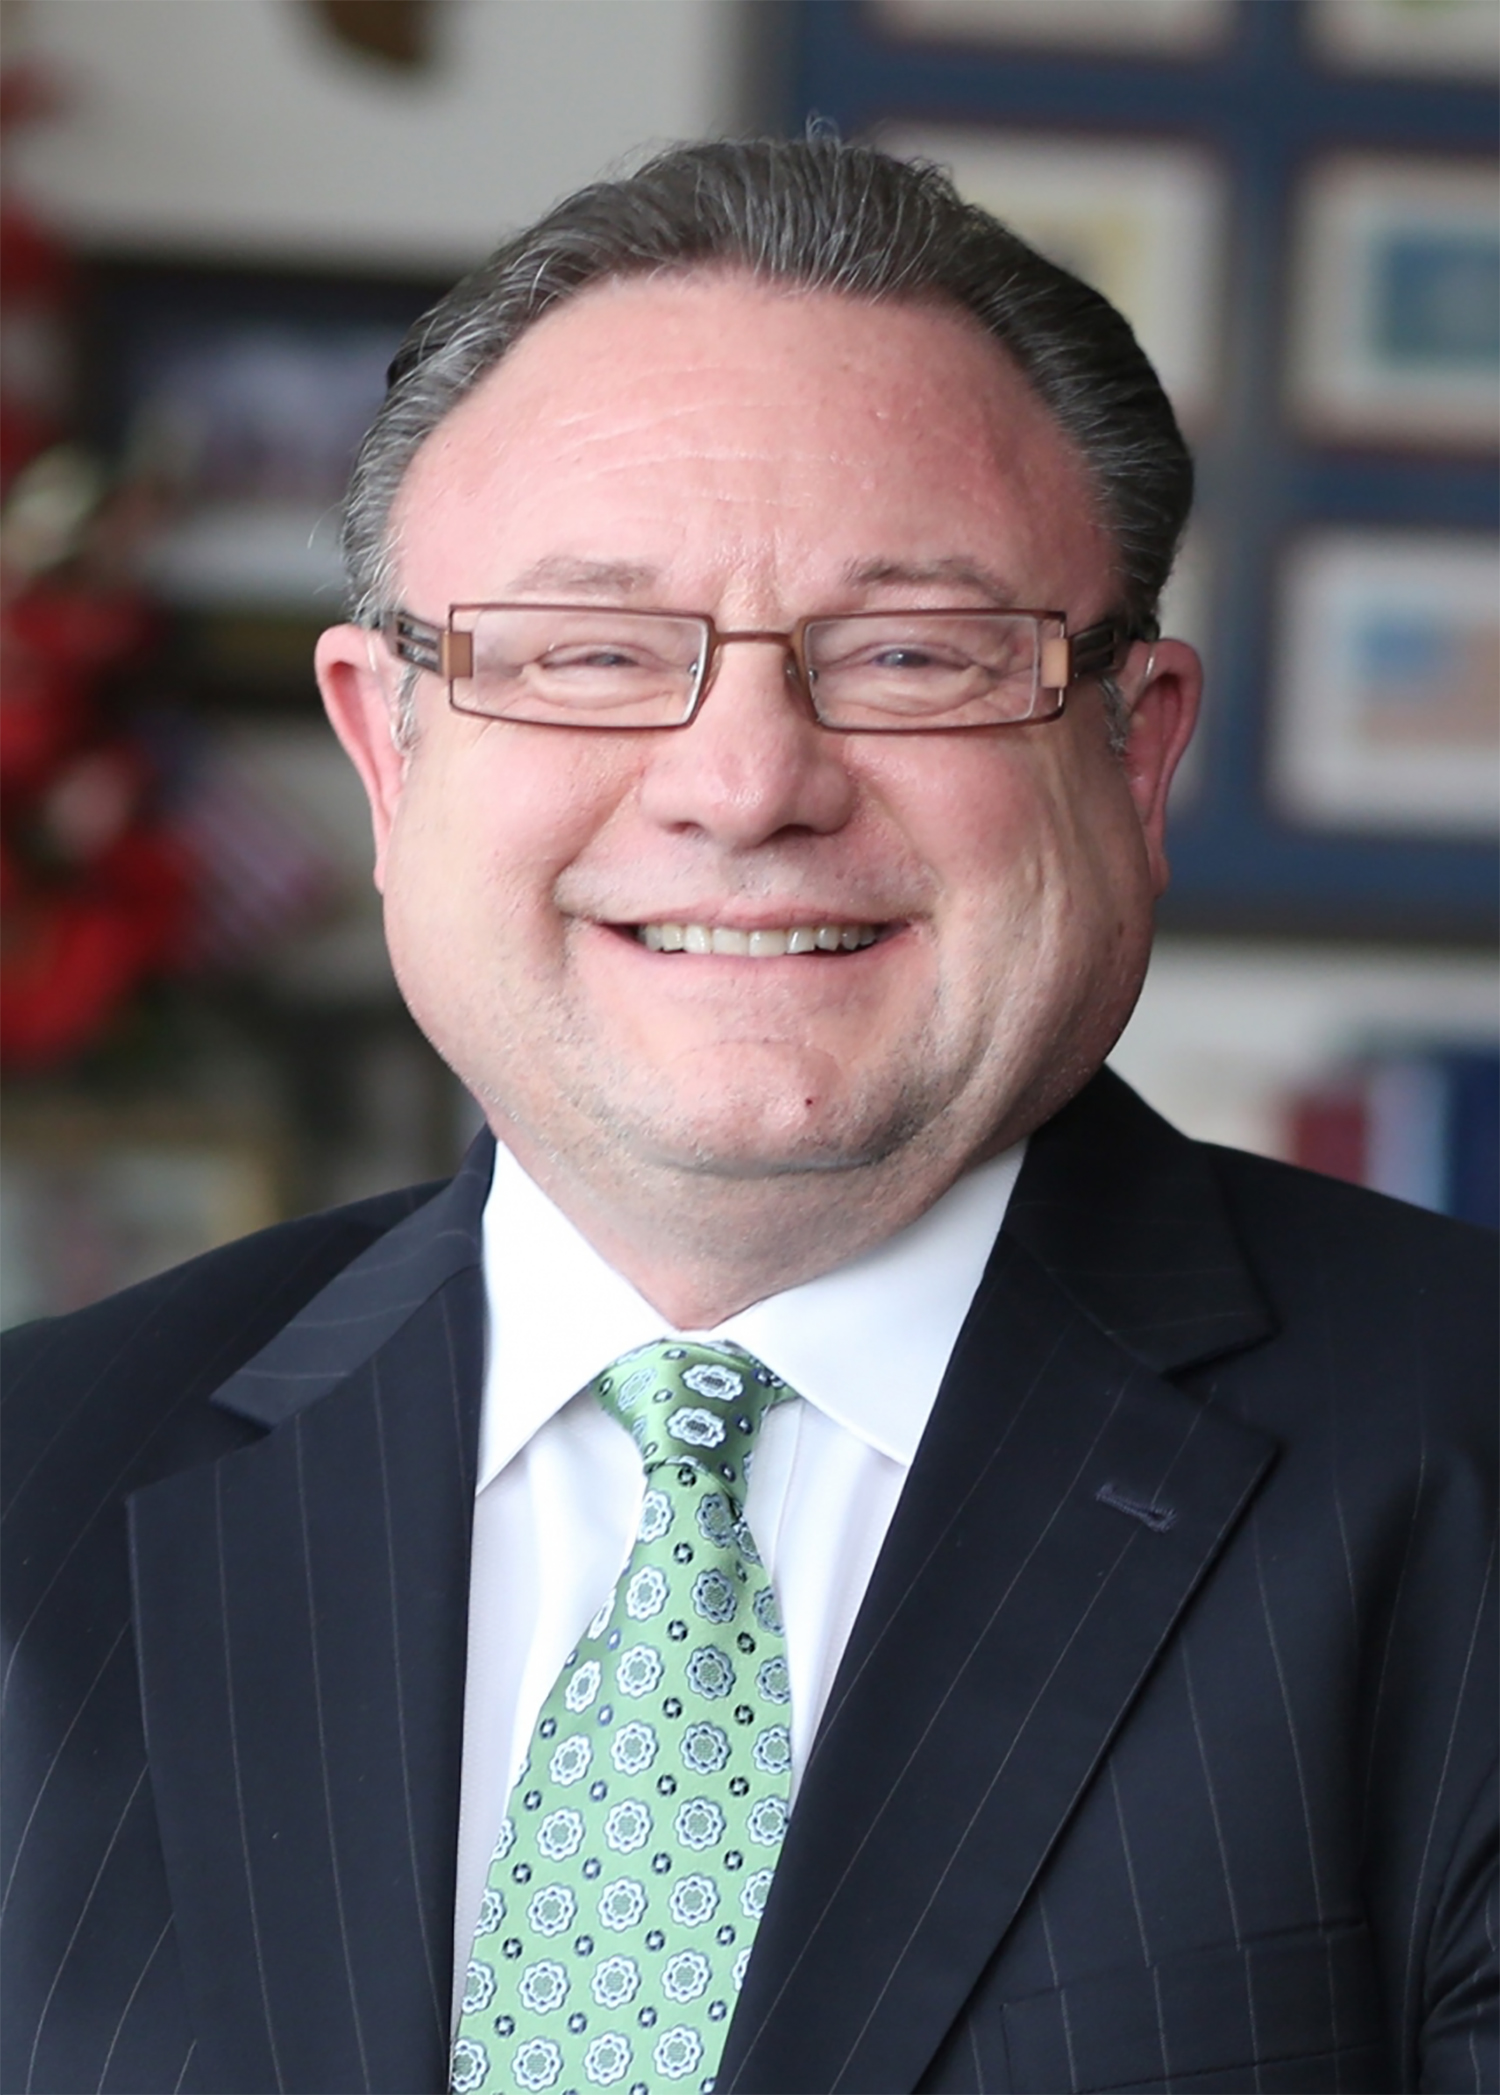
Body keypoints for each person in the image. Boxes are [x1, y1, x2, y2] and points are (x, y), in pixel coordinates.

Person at [3, 137, 1493, 2095]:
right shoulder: (31, 1487)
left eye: (910, 654)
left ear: (1133, 756)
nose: (742, 783)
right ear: (388, 752)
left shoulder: (1467, 1458)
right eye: (592, 654)